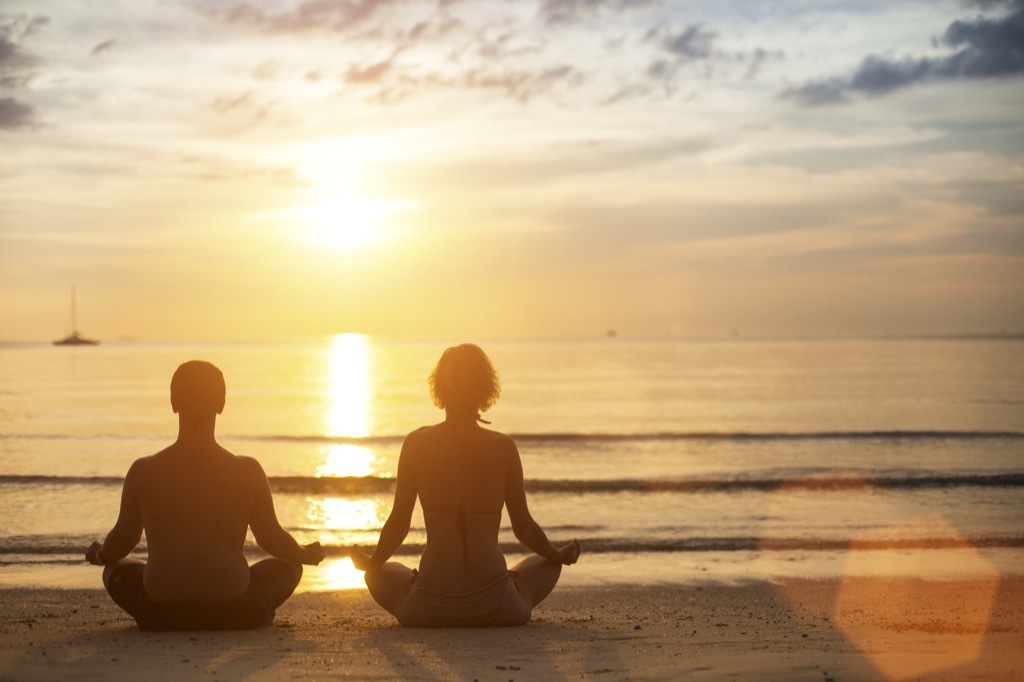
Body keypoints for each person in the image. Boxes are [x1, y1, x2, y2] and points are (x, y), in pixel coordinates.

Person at [350, 343, 581, 627]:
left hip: (428, 606)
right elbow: (524, 527)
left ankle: (410, 584)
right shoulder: (503, 447)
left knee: (380, 572)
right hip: (497, 605)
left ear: (439, 387)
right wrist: (557, 554)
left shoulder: (416, 443)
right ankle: (512, 585)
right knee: (548, 563)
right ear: (485, 387)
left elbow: (399, 523)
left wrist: (371, 563)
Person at [85, 360, 325, 630]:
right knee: (289, 566)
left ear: (174, 402)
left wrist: (100, 556)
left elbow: (122, 541)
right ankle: (256, 614)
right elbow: (271, 537)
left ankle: (164, 614)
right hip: (235, 607)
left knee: (115, 569)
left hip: (160, 611)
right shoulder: (247, 469)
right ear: (220, 404)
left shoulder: (144, 470)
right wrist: (303, 554)